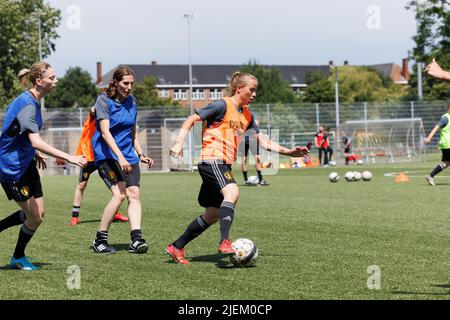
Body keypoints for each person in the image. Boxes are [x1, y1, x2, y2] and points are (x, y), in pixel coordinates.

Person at [166, 71, 309, 265]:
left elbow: (263, 142)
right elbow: (192, 119)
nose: (254, 94)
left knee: (212, 214)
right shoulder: (221, 105)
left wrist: (290, 152)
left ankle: (176, 246)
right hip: (212, 159)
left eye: (255, 90)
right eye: (252, 89)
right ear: (239, 88)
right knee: (232, 192)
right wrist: (178, 143)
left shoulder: (247, 115)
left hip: (222, 163)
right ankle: (225, 241)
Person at [0, 62, 87, 270]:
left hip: (25, 162)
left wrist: (34, 153)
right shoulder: (29, 104)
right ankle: (18, 258)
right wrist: (69, 157)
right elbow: (35, 140)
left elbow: (16, 130)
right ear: (40, 81)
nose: (56, 81)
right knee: (34, 217)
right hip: (11, 169)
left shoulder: (32, 100)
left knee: (39, 215)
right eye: (52, 78)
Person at [91, 66, 154, 254]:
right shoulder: (103, 100)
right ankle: (99, 240)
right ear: (116, 82)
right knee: (119, 195)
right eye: (125, 83)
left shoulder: (131, 101)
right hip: (107, 155)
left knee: (134, 194)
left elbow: (132, 132)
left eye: (131, 84)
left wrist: (141, 154)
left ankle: (136, 240)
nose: (129, 87)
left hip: (128, 156)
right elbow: (105, 132)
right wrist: (119, 157)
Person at [70, 106, 128, 226]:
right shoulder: (92, 117)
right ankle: (74, 217)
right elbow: (92, 111)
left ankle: (115, 213)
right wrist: (96, 107)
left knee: (117, 186)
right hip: (89, 157)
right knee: (81, 185)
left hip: (104, 156)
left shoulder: (109, 119)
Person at [424, 104, 450, 186]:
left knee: (446, 162)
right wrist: (429, 138)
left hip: (446, 144)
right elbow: (436, 127)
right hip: (447, 143)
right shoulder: (445, 118)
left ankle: (430, 176)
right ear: (449, 109)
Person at [242, 117, 269, 186]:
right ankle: (260, 180)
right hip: (251, 139)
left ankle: (246, 180)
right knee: (256, 158)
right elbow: (256, 125)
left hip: (243, 139)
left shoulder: (240, 114)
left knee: (244, 158)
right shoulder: (251, 115)